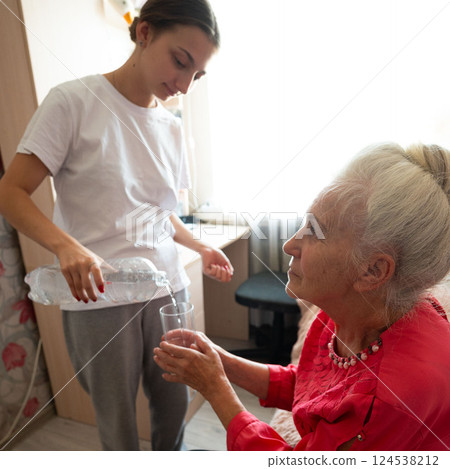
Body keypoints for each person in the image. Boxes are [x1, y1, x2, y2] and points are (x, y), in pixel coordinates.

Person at [0, 0, 231, 451]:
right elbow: (10, 192)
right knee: (118, 419)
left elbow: (159, 213)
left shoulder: (171, 127)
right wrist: (67, 246)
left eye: (196, 76)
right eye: (180, 61)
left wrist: (199, 247)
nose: (183, 85)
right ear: (144, 32)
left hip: (165, 287)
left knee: (173, 403)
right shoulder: (72, 102)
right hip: (100, 297)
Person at [154, 142, 450, 451]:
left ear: (372, 270)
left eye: (314, 233)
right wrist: (222, 362)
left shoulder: (387, 399)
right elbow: (315, 387)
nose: (290, 246)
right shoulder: (343, 313)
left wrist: (215, 389)